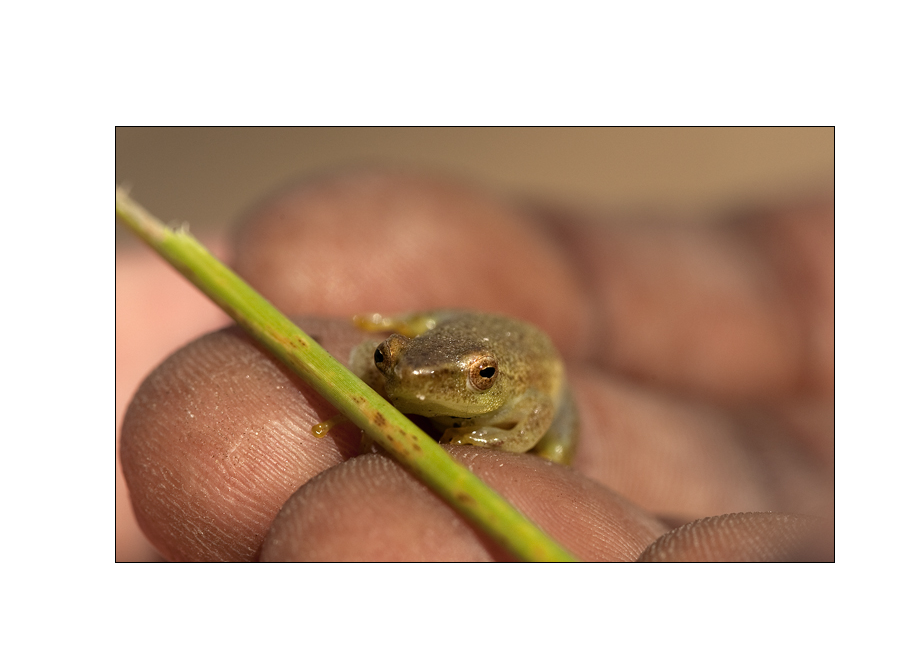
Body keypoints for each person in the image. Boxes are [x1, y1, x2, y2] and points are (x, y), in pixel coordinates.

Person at [116, 170, 834, 561]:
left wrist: (493, 437)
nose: (403, 377)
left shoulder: (514, 386)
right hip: (452, 337)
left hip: (525, 378)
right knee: (400, 357)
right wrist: (389, 360)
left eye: (478, 378)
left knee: (556, 430)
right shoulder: (403, 363)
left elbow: (535, 410)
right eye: (391, 363)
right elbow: (387, 352)